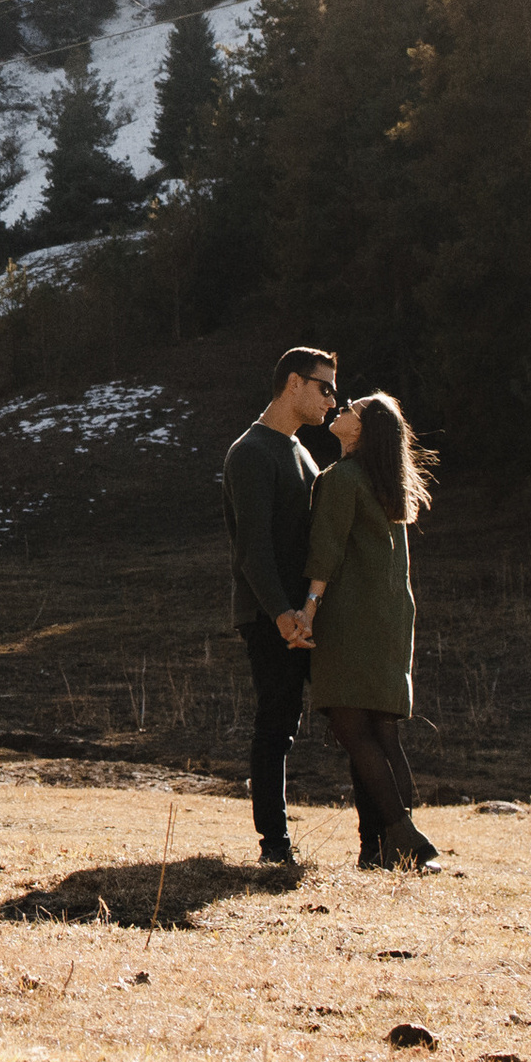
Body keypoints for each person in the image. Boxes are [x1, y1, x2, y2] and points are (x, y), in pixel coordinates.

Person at [298, 392, 438, 869]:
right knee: (382, 734)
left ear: (361, 430)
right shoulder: (388, 486)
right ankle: (376, 850)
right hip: (392, 618)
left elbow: (326, 553)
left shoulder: (341, 479)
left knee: (350, 728)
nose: (341, 409)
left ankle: (405, 836)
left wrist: (309, 611)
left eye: (352, 409)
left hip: (352, 619)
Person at [221, 347, 339, 865]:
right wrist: (281, 614)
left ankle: (378, 836)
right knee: (276, 725)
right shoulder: (252, 452)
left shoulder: (300, 450)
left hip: (302, 614)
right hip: (272, 617)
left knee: (343, 715)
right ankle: (274, 845)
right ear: (295, 383)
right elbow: (253, 549)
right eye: (325, 388)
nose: (333, 401)